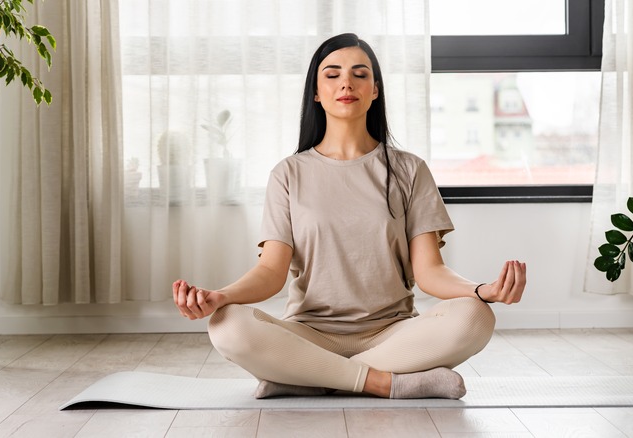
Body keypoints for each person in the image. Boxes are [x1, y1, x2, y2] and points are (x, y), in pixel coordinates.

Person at [173, 33, 526, 400]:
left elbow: (429, 273)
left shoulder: (409, 170)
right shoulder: (288, 174)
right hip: (310, 333)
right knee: (227, 325)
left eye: (360, 74)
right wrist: (219, 297)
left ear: (375, 90)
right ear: (315, 92)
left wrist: (482, 291)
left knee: (477, 316)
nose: (346, 82)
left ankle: (305, 377)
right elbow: (269, 273)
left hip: (393, 333)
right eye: (332, 74)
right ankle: (386, 382)